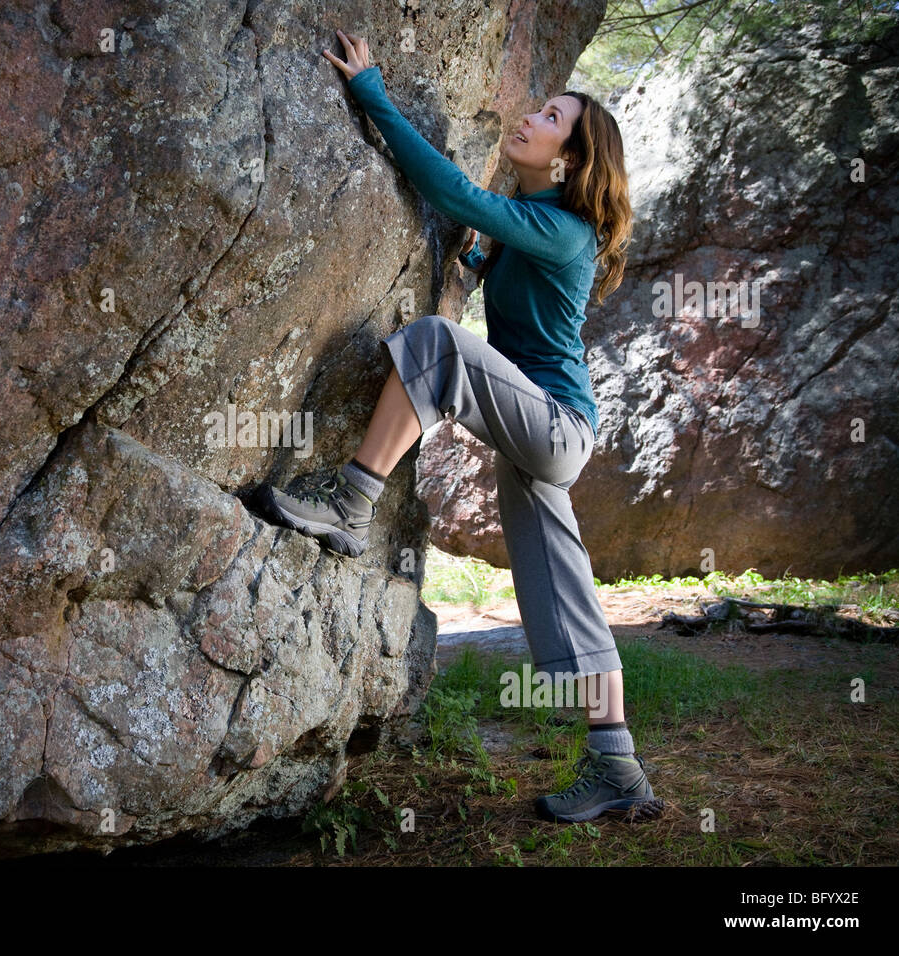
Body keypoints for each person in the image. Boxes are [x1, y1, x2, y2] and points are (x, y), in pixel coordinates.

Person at [255, 29, 663, 824]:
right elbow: (491, 256)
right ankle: (618, 766)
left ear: (569, 160)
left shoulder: (563, 229)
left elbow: (456, 194)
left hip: (557, 426)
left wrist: (371, 93)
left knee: (437, 346)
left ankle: (351, 502)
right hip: (538, 439)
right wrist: (475, 262)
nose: (530, 117)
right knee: (564, 593)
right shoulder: (533, 226)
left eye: (550, 118)